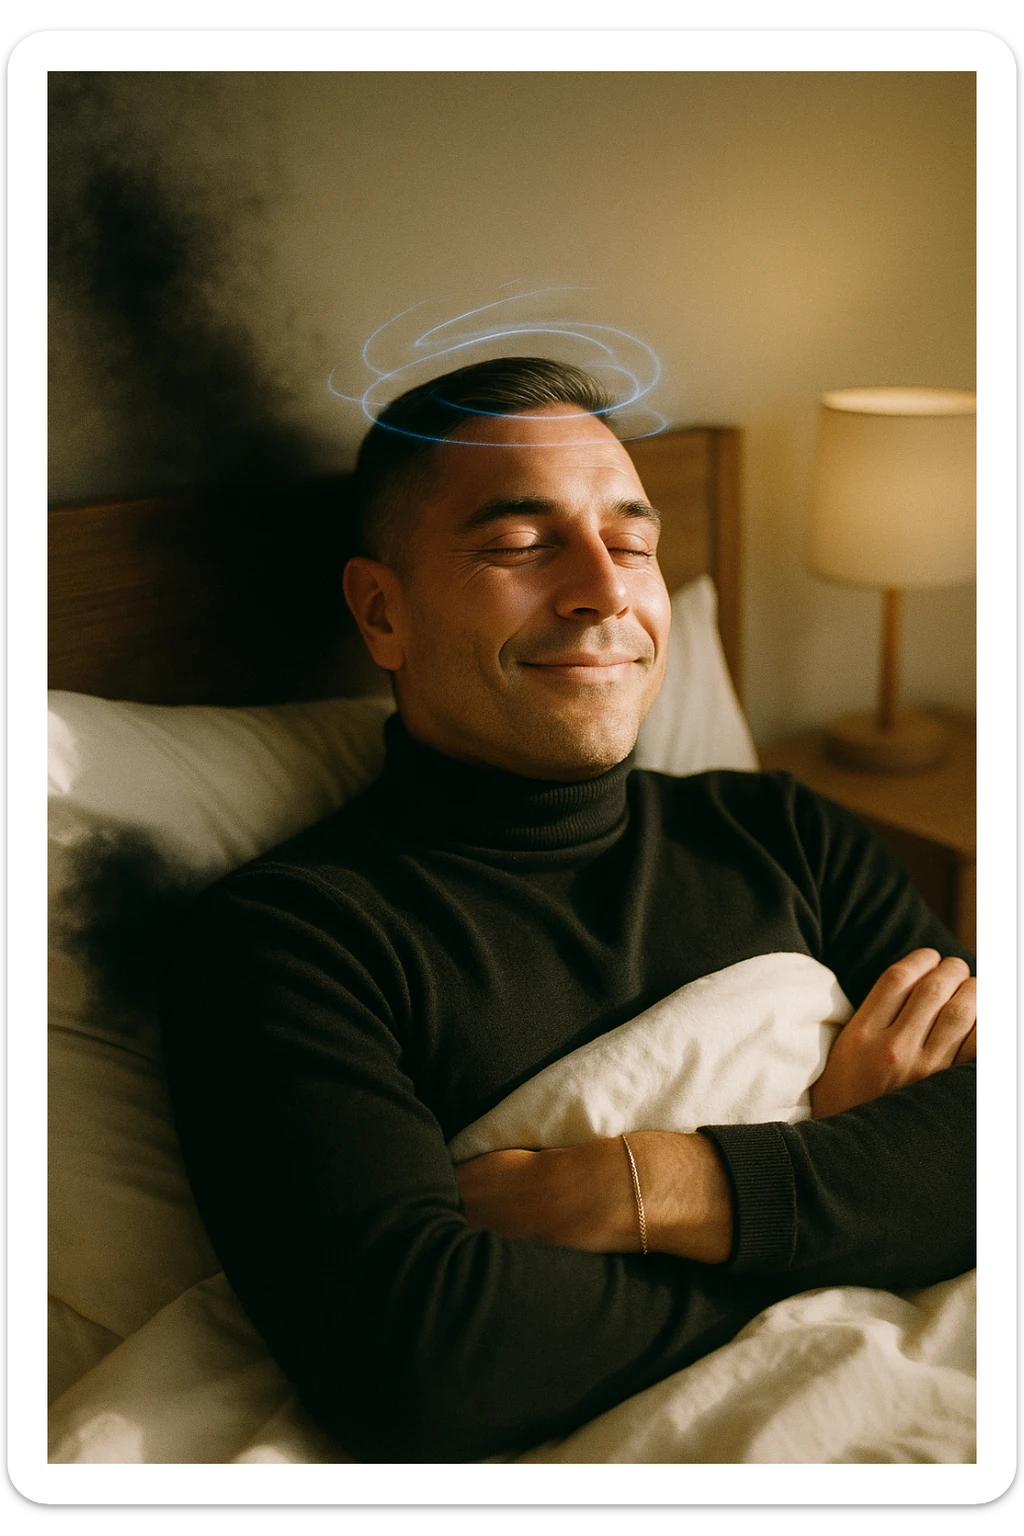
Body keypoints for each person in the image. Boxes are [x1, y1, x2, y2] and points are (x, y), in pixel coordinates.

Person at [161, 357, 976, 1464]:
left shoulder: (784, 831)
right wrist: (848, 1181)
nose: (604, 587)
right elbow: (427, 1364)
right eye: (519, 543)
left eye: (631, 541)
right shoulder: (294, 943)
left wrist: (653, 1185)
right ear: (381, 610)